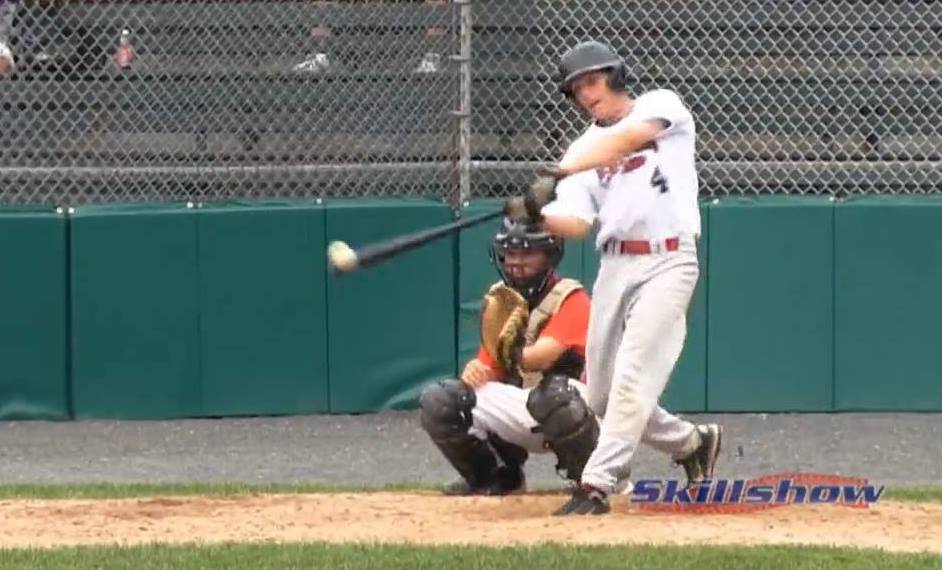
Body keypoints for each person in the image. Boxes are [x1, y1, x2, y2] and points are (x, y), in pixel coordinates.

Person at [505, 40, 723, 515]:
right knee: (600, 393)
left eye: (592, 81)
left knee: (632, 378)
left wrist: (557, 172)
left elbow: (625, 140)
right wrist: (537, 215)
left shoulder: (660, 106)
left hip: (669, 258)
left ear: (615, 75)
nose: (586, 93)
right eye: (576, 88)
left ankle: (596, 486)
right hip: (615, 264)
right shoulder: (582, 147)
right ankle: (690, 442)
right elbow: (579, 225)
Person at [418, 218, 598, 495]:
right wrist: (477, 370)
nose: (515, 262)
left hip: (576, 407)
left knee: (553, 396)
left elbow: (540, 358)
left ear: (549, 254)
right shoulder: (503, 301)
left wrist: (508, 352)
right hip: (525, 406)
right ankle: (497, 479)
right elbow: (490, 366)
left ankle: (593, 481)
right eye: (510, 253)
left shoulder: (572, 299)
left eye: (527, 253)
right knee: (441, 400)